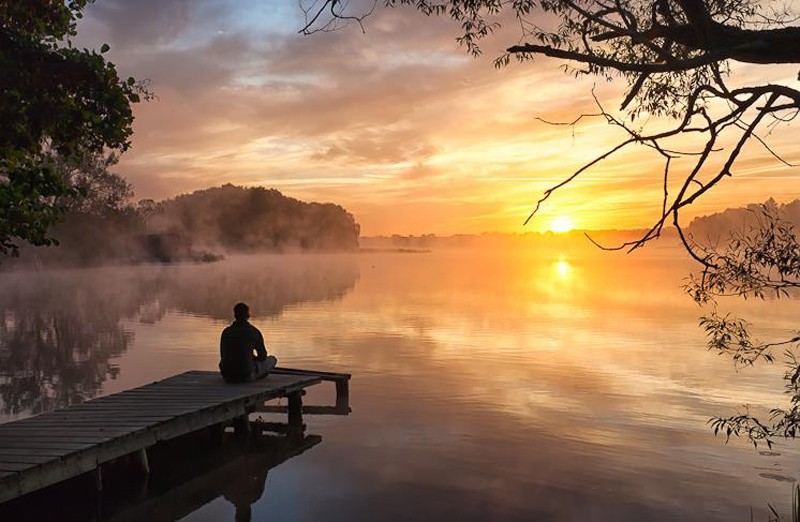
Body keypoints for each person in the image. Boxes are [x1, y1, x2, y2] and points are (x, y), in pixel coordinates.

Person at [219, 302, 278, 382]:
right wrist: (253, 358)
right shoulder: (253, 332)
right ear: (248, 315)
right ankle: (257, 374)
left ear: (235, 315)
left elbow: (223, 355)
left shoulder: (226, 332)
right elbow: (263, 356)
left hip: (227, 376)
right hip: (246, 376)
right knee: (272, 359)